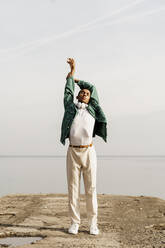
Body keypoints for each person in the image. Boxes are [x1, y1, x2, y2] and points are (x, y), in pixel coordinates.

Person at [60, 58, 107, 235]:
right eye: (82, 92)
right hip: (72, 151)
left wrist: (78, 80)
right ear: (78, 95)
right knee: (72, 188)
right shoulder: (70, 107)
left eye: (87, 93)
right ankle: (75, 222)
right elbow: (67, 91)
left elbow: (92, 87)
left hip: (89, 151)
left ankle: (93, 224)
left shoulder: (93, 108)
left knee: (91, 188)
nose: (85, 94)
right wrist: (71, 76)